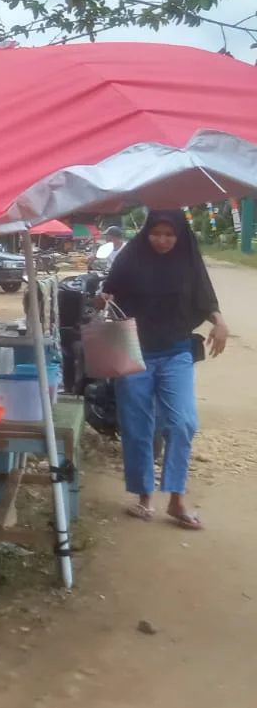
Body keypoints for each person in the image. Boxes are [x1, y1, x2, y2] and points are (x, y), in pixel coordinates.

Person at [99, 209, 228, 530]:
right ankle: (144, 498)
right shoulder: (130, 257)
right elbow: (107, 291)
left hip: (176, 353)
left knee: (183, 423)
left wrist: (220, 321)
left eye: (169, 234)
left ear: (180, 236)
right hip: (133, 351)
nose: (162, 240)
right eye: (156, 233)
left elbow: (205, 298)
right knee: (137, 425)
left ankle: (176, 497)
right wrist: (102, 298)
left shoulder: (189, 260)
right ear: (146, 233)